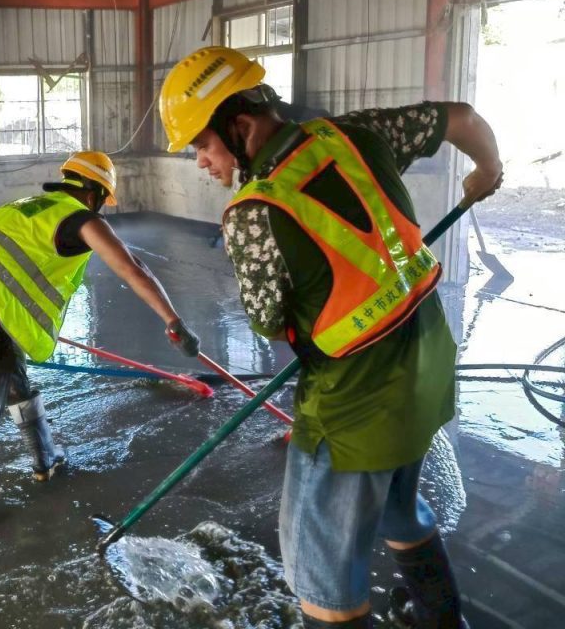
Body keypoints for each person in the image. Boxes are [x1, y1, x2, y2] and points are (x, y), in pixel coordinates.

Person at [160, 47, 503, 629]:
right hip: (428, 363)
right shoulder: (357, 133)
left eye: (202, 144)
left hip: (353, 403)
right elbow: (462, 118)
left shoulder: (252, 213)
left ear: (239, 126)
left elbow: (269, 321)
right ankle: (441, 619)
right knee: (399, 509)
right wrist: (487, 169)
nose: (201, 161)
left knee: (321, 578)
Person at [0, 151, 202, 539]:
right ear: (95, 193)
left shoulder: (28, 205)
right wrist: (173, 321)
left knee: (14, 378)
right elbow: (133, 267)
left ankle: (45, 459)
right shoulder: (82, 218)